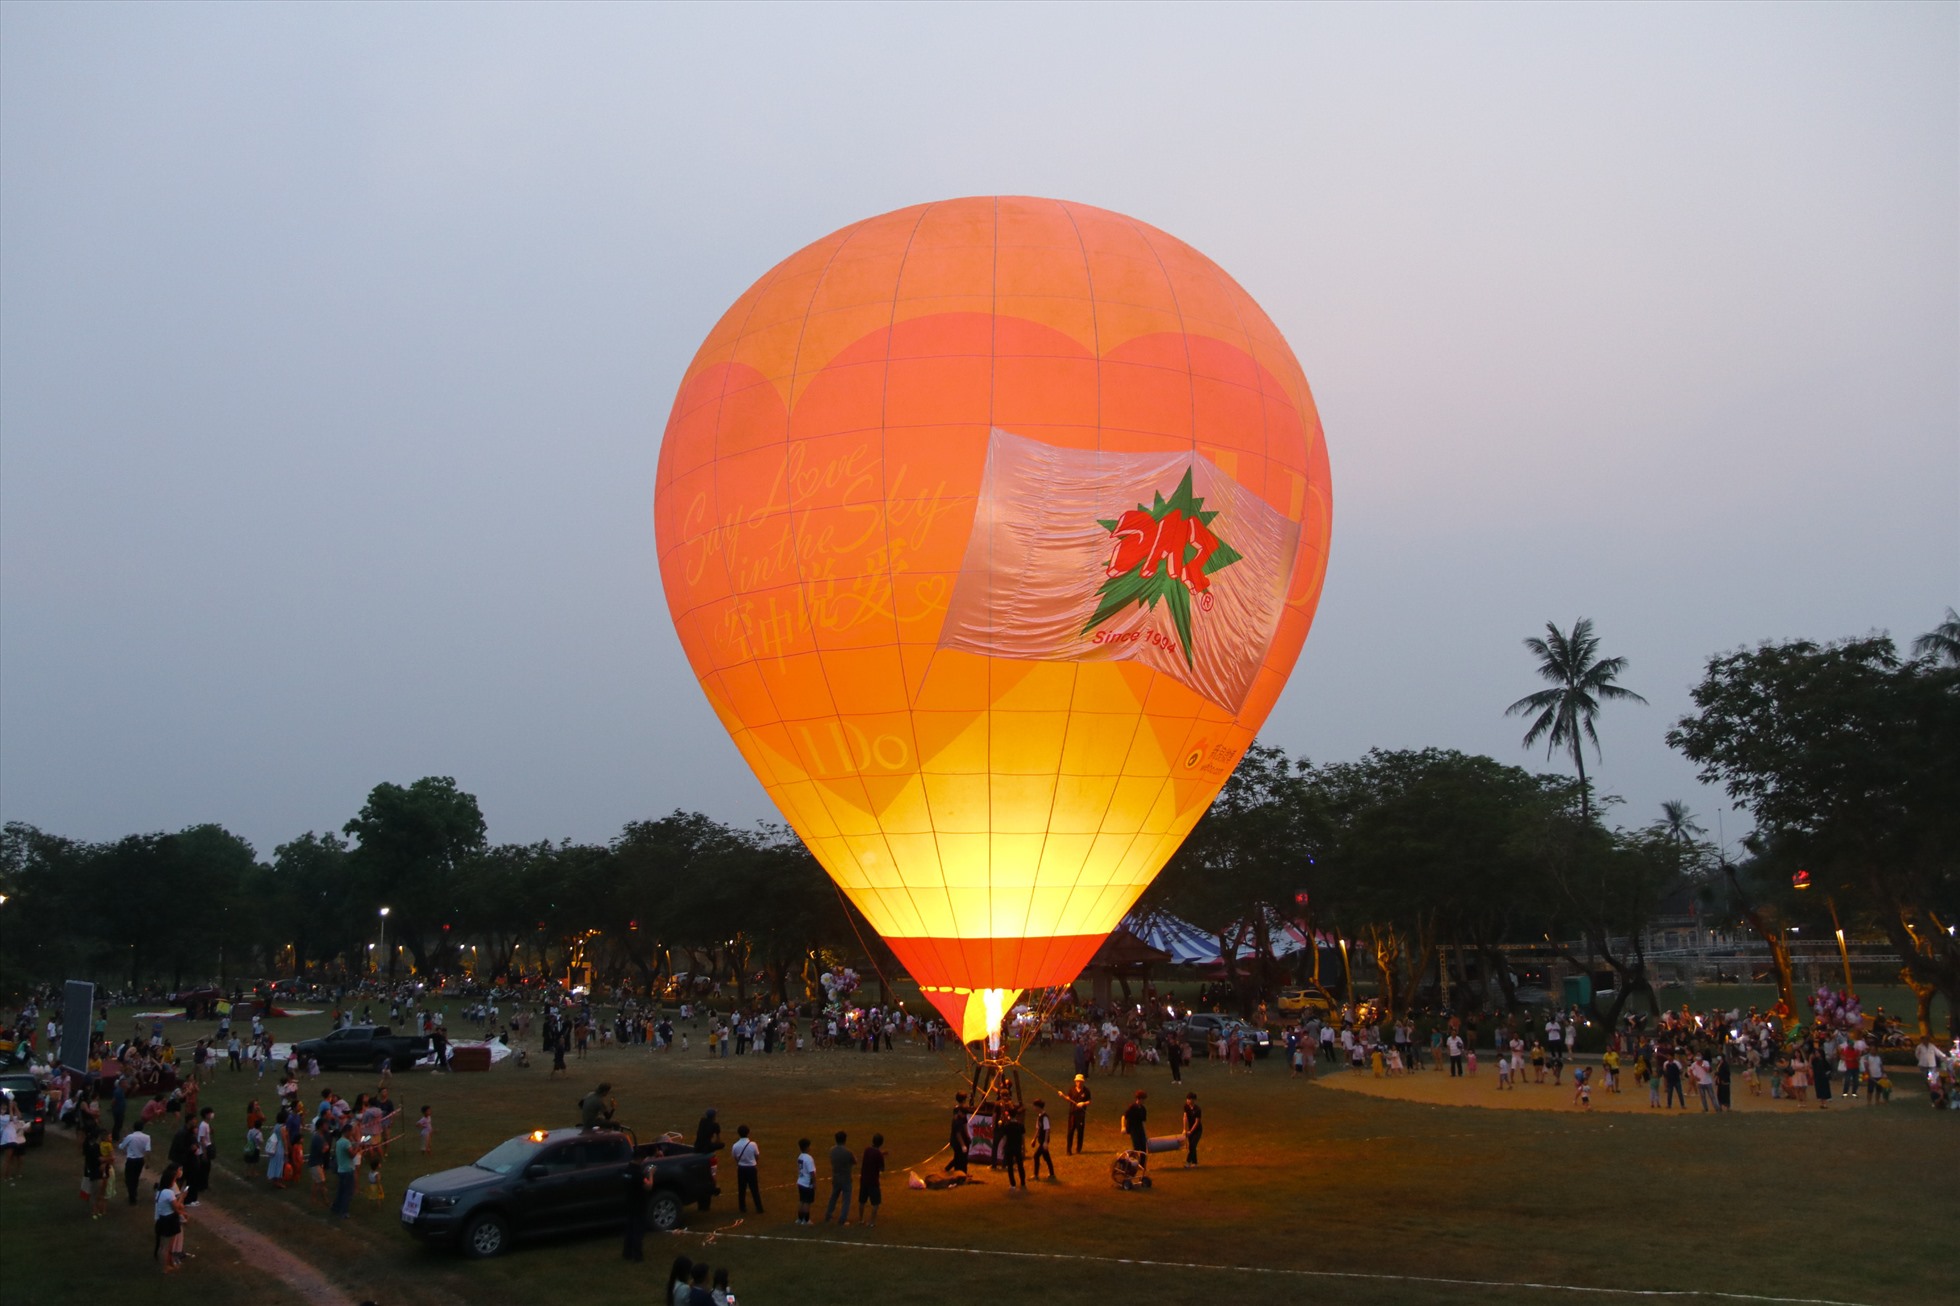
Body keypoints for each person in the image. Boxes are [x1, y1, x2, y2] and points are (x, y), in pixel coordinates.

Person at [153, 1164, 187, 1271]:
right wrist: (182, 1197)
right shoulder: (169, 1193)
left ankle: (167, 1263)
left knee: (164, 1244)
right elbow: (176, 1208)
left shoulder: (160, 1191)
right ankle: (165, 1267)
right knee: (168, 1246)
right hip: (169, 1220)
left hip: (161, 1219)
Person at [622, 1158, 652, 1261]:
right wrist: (651, 1174)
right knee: (638, 1232)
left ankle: (627, 1253)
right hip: (639, 1206)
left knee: (629, 1230)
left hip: (629, 1205)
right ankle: (637, 1256)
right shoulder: (638, 1174)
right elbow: (648, 1186)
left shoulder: (626, 1171)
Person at [823, 1130, 855, 1224]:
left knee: (834, 1196)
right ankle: (843, 1218)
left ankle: (828, 1215)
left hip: (836, 1177)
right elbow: (854, 1161)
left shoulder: (832, 1150)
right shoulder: (848, 1152)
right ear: (845, 1140)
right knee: (846, 1199)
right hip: (846, 1178)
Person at [730, 1124, 762, 1213]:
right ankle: (759, 1207)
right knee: (754, 1188)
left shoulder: (735, 1145)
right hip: (751, 1168)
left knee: (741, 1188)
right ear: (748, 1133)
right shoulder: (753, 1144)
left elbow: (735, 1157)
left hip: (741, 1168)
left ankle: (742, 1207)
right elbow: (757, 1155)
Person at [119, 1121, 153, 1203]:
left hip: (131, 1160)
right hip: (140, 1160)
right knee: (135, 1177)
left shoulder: (130, 1137)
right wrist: (147, 1162)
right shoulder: (147, 1137)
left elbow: (121, 1146)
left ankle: (132, 1196)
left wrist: (124, 1140)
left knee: (129, 1178)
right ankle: (134, 1192)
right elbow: (147, 1150)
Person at [858, 1132, 885, 1224]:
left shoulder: (867, 1150)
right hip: (873, 1182)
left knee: (862, 1201)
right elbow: (882, 1169)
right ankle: (872, 1222)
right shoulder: (879, 1155)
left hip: (864, 1180)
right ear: (881, 1143)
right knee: (875, 1203)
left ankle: (861, 1219)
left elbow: (872, 1155)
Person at [331, 1123, 357, 1217]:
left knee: (341, 1190)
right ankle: (344, 1211)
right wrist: (357, 1148)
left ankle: (335, 1207)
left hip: (341, 1169)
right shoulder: (346, 1142)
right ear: (347, 1131)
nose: (352, 1133)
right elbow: (352, 1155)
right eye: (351, 1131)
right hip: (348, 1170)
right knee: (347, 1192)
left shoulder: (339, 1142)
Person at [998, 1108, 1027, 1189]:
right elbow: (1023, 1138)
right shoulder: (1021, 1126)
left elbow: (1005, 1138)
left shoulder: (1007, 1126)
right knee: (1020, 1165)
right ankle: (1023, 1182)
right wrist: (1023, 1148)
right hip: (1018, 1147)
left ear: (1009, 1116)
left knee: (1010, 1166)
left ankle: (1013, 1184)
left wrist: (1003, 1148)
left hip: (1009, 1147)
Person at [1064, 1075, 1091, 1155]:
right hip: (1072, 1114)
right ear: (1075, 1082)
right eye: (1077, 1081)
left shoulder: (1086, 1091)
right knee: (1070, 1132)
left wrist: (1083, 1103)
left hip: (1081, 1115)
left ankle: (1078, 1148)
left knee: (1080, 1132)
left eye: (1080, 1081)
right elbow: (1068, 1097)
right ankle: (1069, 1150)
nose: (1079, 1083)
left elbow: (1089, 1101)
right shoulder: (1072, 1089)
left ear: (1083, 1082)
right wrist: (1065, 1097)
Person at [945, 1092, 971, 1173]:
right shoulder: (957, 1120)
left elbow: (965, 1123)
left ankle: (960, 1171)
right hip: (957, 1141)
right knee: (959, 1157)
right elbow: (958, 1133)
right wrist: (963, 1145)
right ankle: (959, 1172)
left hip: (961, 1138)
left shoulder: (960, 1111)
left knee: (961, 1157)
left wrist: (967, 1136)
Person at [1029, 1099, 1055, 1180]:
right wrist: (1034, 1139)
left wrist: (1045, 1142)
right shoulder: (1039, 1116)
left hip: (1043, 1141)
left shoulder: (1045, 1117)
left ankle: (1036, 1175)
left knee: (1036, 1156)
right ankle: (1052, 1174)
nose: (1033, 1108)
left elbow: (1047, 1129)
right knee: (1047, 1158)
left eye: (1034, 1106)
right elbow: (1038, 1128)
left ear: (1038, 1107)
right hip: (1041, 1141)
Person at [795, 1138, 816, 1224]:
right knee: (807, 1202)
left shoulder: (800, 1156)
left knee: (802, 1200)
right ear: (807, 1147)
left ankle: (800, 1218)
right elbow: (812, 1172)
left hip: (800, 1181)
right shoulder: (809, 1158)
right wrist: (814, 1182)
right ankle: (806, 1220)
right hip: (807, 1183)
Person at [1122, 1089, 1148, 1157]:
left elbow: (1143, 1122)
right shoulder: (1132, 1107)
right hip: (1133, 1128)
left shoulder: (1143, 1109)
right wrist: (1123, 1127)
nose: (1144, 1101)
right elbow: (1124, 1117)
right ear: (1139, 1099)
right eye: (1143, 1099)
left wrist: (1145, 1133)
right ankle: (1132, 1161)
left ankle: (1142, 1165)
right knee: (1136, 1147)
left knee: (1143, 1147)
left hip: (1140, 1128)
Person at [1182, 1092, 1203, 1167]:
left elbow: (1197, 1122)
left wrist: (1191, 1131)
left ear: (1193, 1100)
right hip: (1190, 1130)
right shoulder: (1186, 1106)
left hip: (1197, 1130)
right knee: (1192, 1146)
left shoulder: (1198, 1109)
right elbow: (1185, 1117)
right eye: (1187, 1099)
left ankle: (1188, 1162)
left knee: (1192, 1146)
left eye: (1189, 1099)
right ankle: (1195, 1162)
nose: (1187, 1101)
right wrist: (1184, 1129)